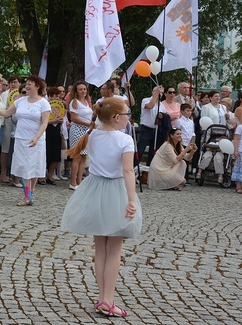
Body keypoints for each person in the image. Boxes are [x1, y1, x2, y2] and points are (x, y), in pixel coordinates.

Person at [61, 97, 141, 318]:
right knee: (114, 249)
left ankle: (102, 297)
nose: (128, 119)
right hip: (115, 192)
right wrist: (131, 200)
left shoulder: (92, 135)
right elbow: (127, 172)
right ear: (116, 117)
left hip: (95, 191)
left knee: (100, 249)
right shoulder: (124, 139)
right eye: (126, 115)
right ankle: (108, 299)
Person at [0, 75, 50, 206]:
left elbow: (44, 123)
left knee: (34, 168)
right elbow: (6, 113)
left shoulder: (43, 103)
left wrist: (36, 137)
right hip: (21, 138)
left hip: (35, 140)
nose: (27, 86)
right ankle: (27, 195)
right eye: (27, 83)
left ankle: (29, 193)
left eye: (30, 83)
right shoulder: (21, 101)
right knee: (23, 167)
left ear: (37, 86)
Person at [68, 81, 92, 189]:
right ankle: (73, 182)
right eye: (80, 89)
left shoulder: (87, 102)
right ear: (76, 91)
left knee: (83, 157)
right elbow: (74, 118)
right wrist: (88, 124)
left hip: (86, 131)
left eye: (84, 89)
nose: (83, 91)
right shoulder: (75, 102)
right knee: (76, 157)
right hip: (77, 129)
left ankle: (79, 180)